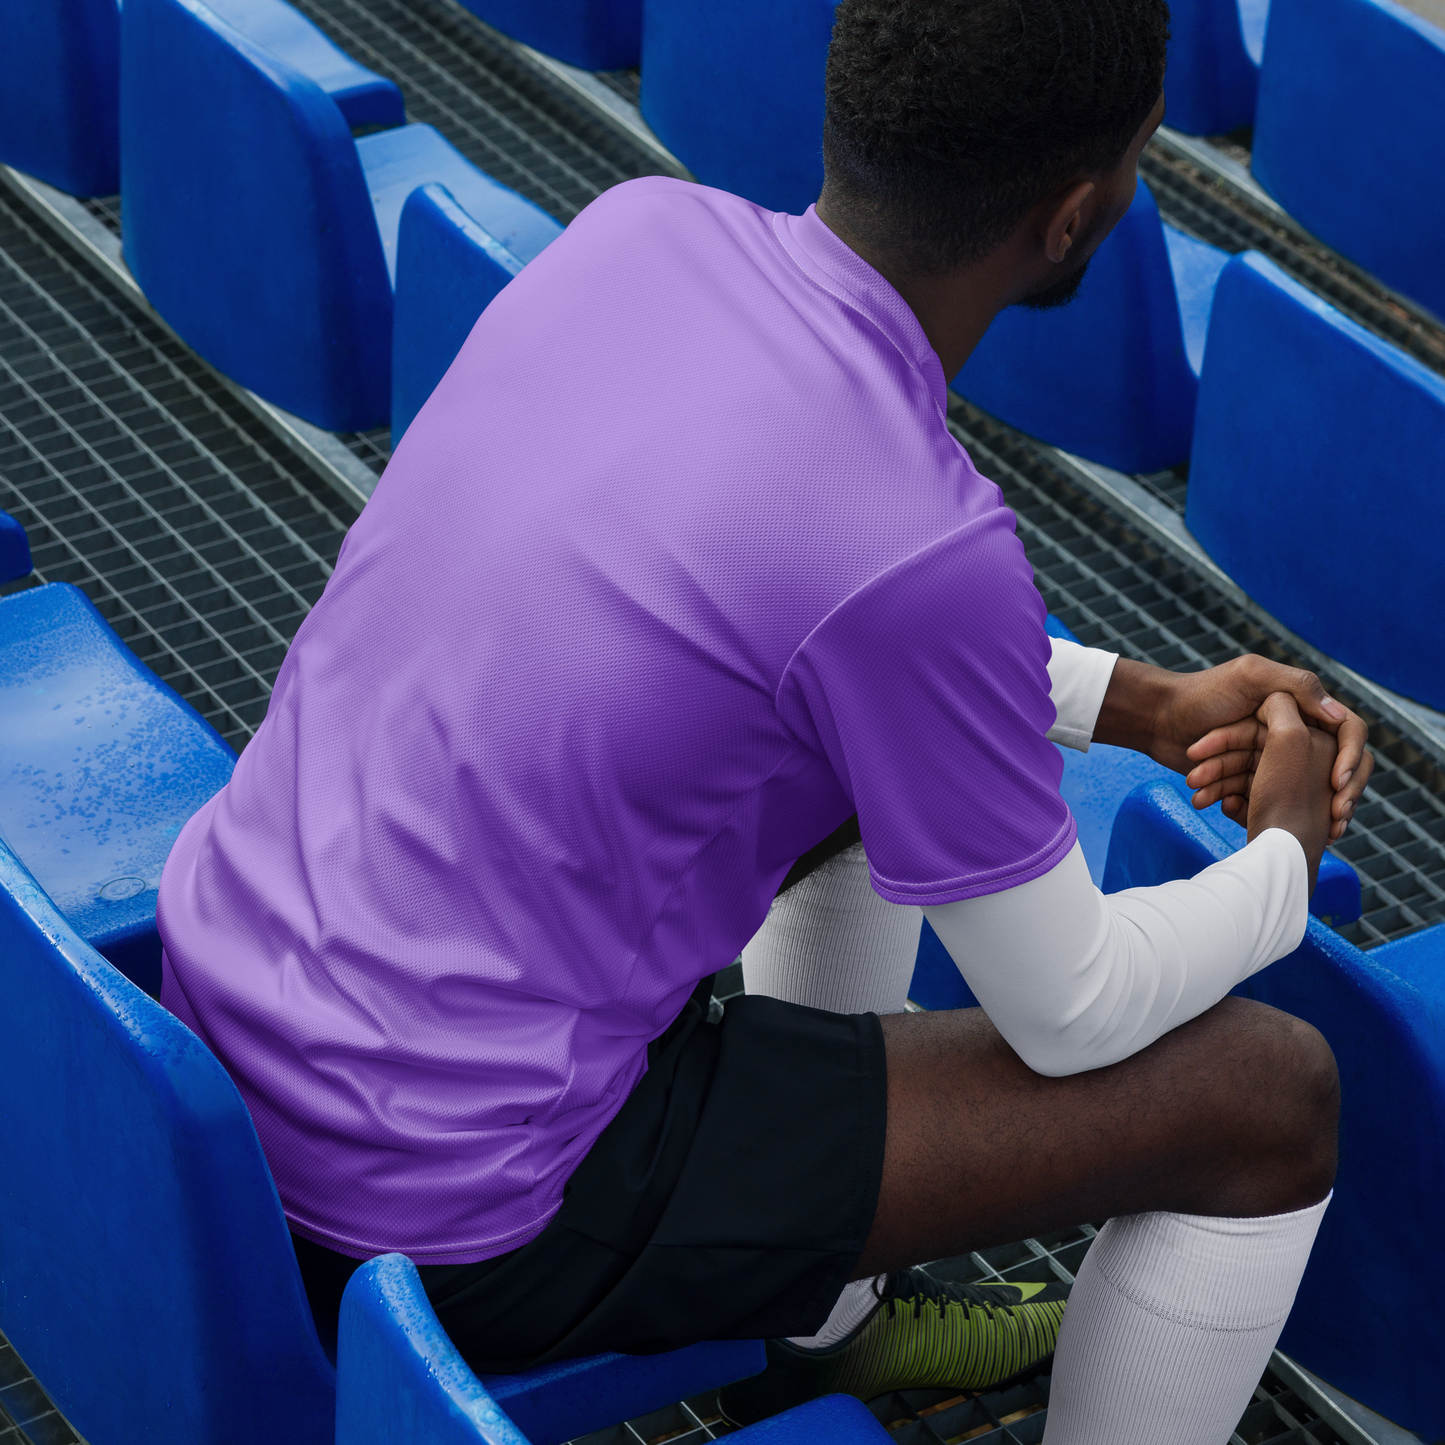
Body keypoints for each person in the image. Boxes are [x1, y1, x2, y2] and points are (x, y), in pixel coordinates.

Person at [156, 0, 1374, 1439]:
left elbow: (799, 627)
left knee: (862, 778)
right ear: (1075, 218)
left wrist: (1136, 702)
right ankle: (820, 1316)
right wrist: (1283, 864)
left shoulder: (637, 235)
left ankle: (829, 1333)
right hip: (459, 1203)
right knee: (1266, 1097)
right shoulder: (922, 542)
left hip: (229, 1049)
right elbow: (1073, 1009)